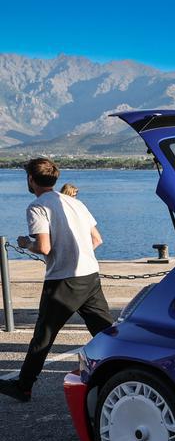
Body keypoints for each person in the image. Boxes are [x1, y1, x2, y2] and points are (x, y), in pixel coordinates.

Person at [0, 159, 114, 403]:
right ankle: (123, 371)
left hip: (63, 280)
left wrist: (25, 244)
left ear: (31, 179)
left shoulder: (37, 207)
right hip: (90, 275)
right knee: (105, 330)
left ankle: (24, 386)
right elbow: (97, 240)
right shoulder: (76, 203)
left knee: (44, 335)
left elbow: (43, 246)